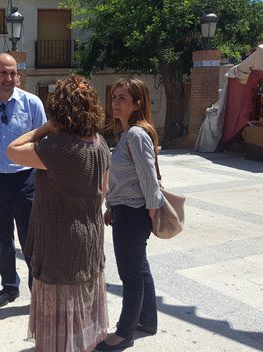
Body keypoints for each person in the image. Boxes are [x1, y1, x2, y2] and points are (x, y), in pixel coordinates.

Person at [6, 75, 110, 351]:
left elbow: (12, 150)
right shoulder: (100, 144)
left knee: (59, 313)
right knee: (81, 310)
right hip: (90, 237)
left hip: (58, 240)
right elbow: (104, 189)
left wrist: (44, 128)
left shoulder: (57, 147)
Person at [0, 52, 47, 308]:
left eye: (13, 72)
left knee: (31, 238)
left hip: (26, 180)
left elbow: (42, 142)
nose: (9, 78)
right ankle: (9, 287)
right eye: (3, 72)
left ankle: (37, 289)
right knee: (2, 237)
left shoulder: (33, 103)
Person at [97, 78, 163, 351]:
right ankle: (147, 320)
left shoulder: (136, 134)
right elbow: (125, 179)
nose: (115, 102)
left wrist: (151, 215)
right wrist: (112, 204)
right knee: (140, 268)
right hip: (126, 210)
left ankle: (125, 333)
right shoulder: (126, 134)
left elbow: (149, 179)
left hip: (134, 213)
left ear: (137, 104)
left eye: (122, 98)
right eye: (114, 97)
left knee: (131, 275)